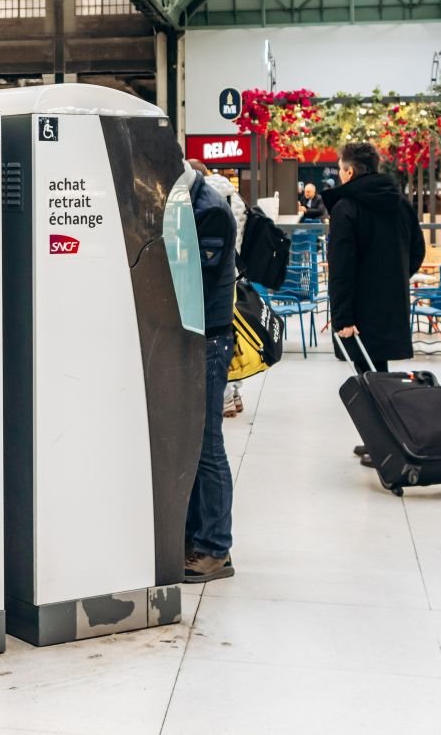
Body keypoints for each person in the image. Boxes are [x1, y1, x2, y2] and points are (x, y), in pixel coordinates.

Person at [322, 141, 424, 387]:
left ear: (349, 172)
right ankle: (385, 420)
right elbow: (417, 251)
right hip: (391, 303)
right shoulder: (400, 204)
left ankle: (383, 422)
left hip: (358, 308)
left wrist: (342, 316)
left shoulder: (346, 209)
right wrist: (394, 275)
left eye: (339, 170)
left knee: (368, 377)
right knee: (378, 372)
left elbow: (341, 267)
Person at [184, 163, 237, 584]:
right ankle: (196, 538)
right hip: (194, 337)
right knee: (193, 446)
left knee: (207, 445)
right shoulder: (191, 202)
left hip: (210, 340)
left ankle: (215, 548)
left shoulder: (210, 209)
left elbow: (198, 280)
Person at [196, 162, 247, 419]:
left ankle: (226, 397)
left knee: (220, 338)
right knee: (231, 333)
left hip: (219, 278)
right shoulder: (232, 196)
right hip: (233, 274)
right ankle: (234, 392)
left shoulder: (207, 204)